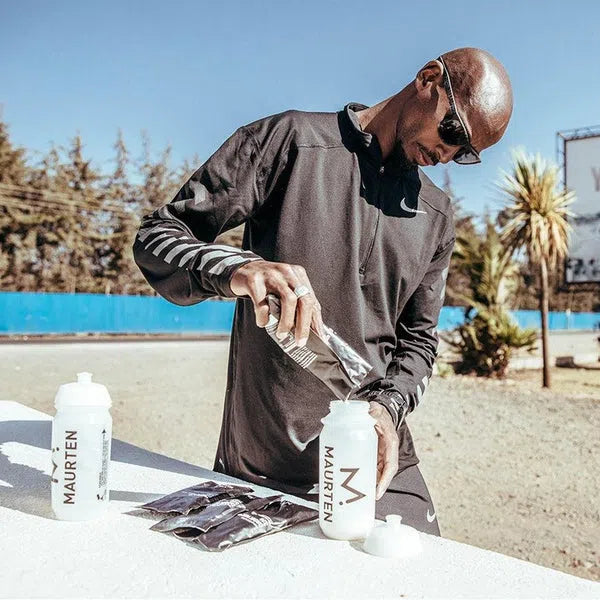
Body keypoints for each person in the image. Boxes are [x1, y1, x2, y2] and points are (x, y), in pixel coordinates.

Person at [133, 47, 513, 536]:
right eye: (454, 132)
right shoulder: (291, 141)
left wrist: (387, 408)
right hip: (267, 463)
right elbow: (156, 237)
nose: (447, 155)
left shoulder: (436, 215)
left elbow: (419, 342)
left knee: (425, 568)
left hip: (374, 456)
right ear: (427, 79)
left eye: (466, 154)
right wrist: (239, 268)